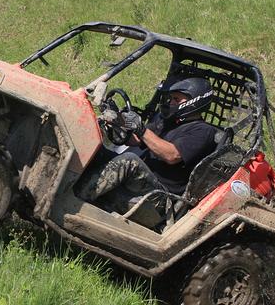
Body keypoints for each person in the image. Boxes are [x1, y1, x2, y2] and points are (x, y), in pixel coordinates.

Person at [77, 78, 218, 215]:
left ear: (195, 102)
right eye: (171, 98)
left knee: (128, 161)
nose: (171, 103)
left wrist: (142, 129)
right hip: (140, 182)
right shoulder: (168, 122)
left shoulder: (203, 131)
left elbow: (172, 155)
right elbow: (136, 140)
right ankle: (69, 185)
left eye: (176, 99)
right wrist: (117, 119)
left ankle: (77, 200)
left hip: (160, 198)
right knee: (99, 151)